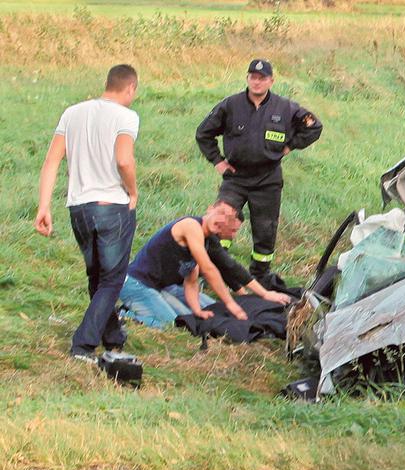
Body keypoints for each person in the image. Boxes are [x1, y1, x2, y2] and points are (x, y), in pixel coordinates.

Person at [34, 64, 140, 363]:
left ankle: (113, 335)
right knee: (112, 278)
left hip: (78, 207)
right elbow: (124, 160)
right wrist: (132, 191)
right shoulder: (126, 116)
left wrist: (44, 206)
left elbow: (51, 161)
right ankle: (83, 344)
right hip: (111, 206)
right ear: (130, 88)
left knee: (96, 275)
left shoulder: (73, 112)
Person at [196, 58, 323, 284]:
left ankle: (260, 276)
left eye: (262, 78)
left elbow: (314, 127)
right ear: (247, 79)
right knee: (221, 222)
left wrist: (290, 145)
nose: (257, 82)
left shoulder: (285, 108)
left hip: (268, 179)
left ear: (271, 81)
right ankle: (214, 270)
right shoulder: (230, 105)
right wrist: (218, 161)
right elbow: (203, 133)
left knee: (265, 230)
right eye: (253, 77)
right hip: (235, 177)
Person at [119, 202, 291, 329]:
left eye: (233, 230)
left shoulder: (208, 242)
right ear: (211, 209)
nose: (231, 232)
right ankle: (123, 315)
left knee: (201, 312)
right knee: (173, 324)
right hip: (136, 284)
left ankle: (152, 307)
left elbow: (194, 281)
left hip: (163, 287)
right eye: (220, 215)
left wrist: (197, 311)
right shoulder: (190, 226)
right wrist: (231, 303)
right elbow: (208, 269)